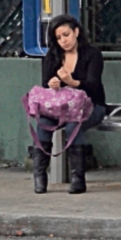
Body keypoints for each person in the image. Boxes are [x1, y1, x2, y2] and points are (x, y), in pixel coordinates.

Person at [31, 14, 106, 195]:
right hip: (59, 108)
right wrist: (52, 84)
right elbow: (46, 85)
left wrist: (71, 82)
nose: (63, 41)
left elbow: (93, 86)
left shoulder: (92, 54)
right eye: (58, 38)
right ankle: (39, 176)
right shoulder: (52, 56)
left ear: (76, 32)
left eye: (66, 35)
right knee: (44, 124)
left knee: (74, 125)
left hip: (90, 106)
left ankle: (78, 178)